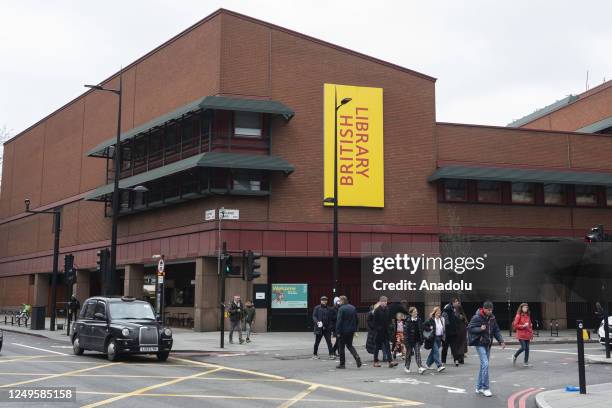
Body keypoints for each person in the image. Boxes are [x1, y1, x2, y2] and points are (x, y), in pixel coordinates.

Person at [468, 300, 506, 397]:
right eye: (488, 310)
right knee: (485, 364)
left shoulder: (492, 318)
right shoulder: (477, 317)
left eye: (491, 310)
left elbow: (496, 330)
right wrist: (480, 329)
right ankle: (486, 388)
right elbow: (470, 328)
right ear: (484, 309)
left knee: (483, 366)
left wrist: (501, 341)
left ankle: (479, 387)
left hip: (488, 344)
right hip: (479, 343)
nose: (490, 311)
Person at [335, 295, 362, 369]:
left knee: (341, 347)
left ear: (343, 301)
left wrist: (337, 332)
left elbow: (339, 321)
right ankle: (356, 356)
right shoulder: (353, 307)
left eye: (339, 301)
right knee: (350, 345)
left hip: (343, 331)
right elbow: (357, 319)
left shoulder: (341, 309)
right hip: (351, 331)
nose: (339, 302)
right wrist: (355, 329)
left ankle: (342, 364)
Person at [373, 296, 397, 367]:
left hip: (386, 331)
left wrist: (390, 326)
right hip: (379, 332)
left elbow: (389, 320)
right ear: (380, 302)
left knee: (387, 346)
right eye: (383, 301)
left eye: (385, 301)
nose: (384, 303)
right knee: (377, 347)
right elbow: (374, 322)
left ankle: (390, 361)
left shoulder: (387, 309)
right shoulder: (377, 310)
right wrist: (378, 328)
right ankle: (375, 361)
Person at [403, 306, 426, 374]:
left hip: (417, 340)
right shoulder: (408, 321)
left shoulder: (419, 320)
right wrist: (406, 342)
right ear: (411, 313)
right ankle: (407, 367)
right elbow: (405, 332)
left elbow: (421, 330)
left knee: (417, 353)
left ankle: (420, 367)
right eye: (414, 312)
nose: (416, 313)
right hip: (409, 341)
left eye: (416, 311)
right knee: (409, 354)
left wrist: (422, 339)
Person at [425, 306, 446, 372]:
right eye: (437, 311)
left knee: (433, 352)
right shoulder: (431, 319)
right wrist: (430, 328)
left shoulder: (442, 319)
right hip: (433, 338)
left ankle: (427, 364)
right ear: (435, 312)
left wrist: (443, 336)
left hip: (439, 338)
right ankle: (439, 366)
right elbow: (424, 326)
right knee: (436, 351)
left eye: (440, 311)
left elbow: (443, 328)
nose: (439, 313)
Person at [512, 303, 533, 367]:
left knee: (527, 348)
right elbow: (515, 325)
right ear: (521, 308)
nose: (525, 309)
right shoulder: (518, 315)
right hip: (521, 334)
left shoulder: (528, 315)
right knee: (523, 347)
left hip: (527, 334)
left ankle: (526, 362)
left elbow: (529, 325)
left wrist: (531, 333)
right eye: (524, 307)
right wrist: (523, 326)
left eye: (526, 307)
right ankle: (515, 356)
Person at [441, 298, 461, 365]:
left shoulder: (455, 309)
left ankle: (456, 360)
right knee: (445, 347)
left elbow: (456, 319)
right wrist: (446, 328)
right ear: (453, 302)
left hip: (453, 331)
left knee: (454, 346)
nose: (457, 303)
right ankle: (443, 361)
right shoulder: (447, 308)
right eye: (456, 302)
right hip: (447, 331)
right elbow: (444, 318)